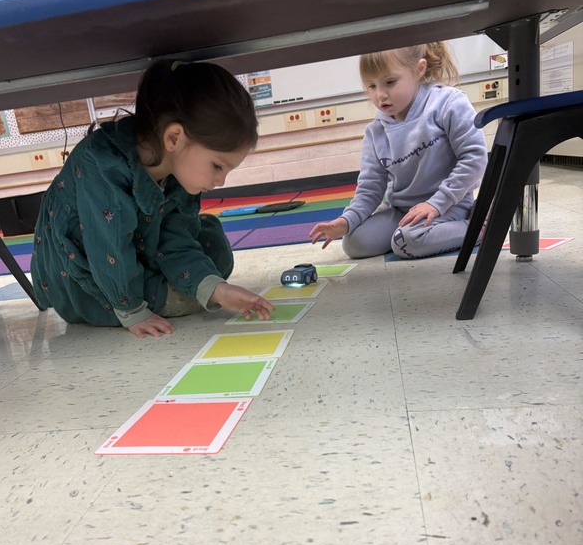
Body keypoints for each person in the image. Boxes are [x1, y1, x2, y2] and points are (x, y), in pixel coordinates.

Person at [31, 59, 274, 338]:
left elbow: (177, 238)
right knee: (142, 282)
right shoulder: (102, 163)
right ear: (174, 138)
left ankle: (177, 289)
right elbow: (108, 250)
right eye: (217, 166)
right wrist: (132, 311)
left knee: (214, 249)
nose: (220, 182)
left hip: (137, 251)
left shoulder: (178, 170)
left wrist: (216, 289)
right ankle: (137, 298)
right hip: (86, 273)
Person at [309, 42, 487, 260]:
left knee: (407, 242)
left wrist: (437, 203)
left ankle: (478, 227)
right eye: (371, 86)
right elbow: (370, 187)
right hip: (402, 210)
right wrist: (347, 220)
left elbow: (474, 158)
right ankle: (420, 232)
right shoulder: (376, 131)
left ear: (418, 70)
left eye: (390, 82)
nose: (380, 95)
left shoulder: (448, 103)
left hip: (450, 204)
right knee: (355, 244)